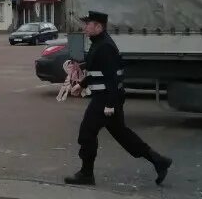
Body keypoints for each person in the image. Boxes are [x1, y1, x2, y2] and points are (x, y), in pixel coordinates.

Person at [63, 11, 172, 187]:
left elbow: (113, 78)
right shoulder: (98, 43)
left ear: (98, 27)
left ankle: (86, 174)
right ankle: (159, 161)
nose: (84, 27)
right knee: (123, 135)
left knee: (86, 133)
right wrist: (82, 85)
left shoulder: (104, 46)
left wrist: (110, 104)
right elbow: (97, 71)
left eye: (88, 24)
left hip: (105, 99)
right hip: (105, 97)